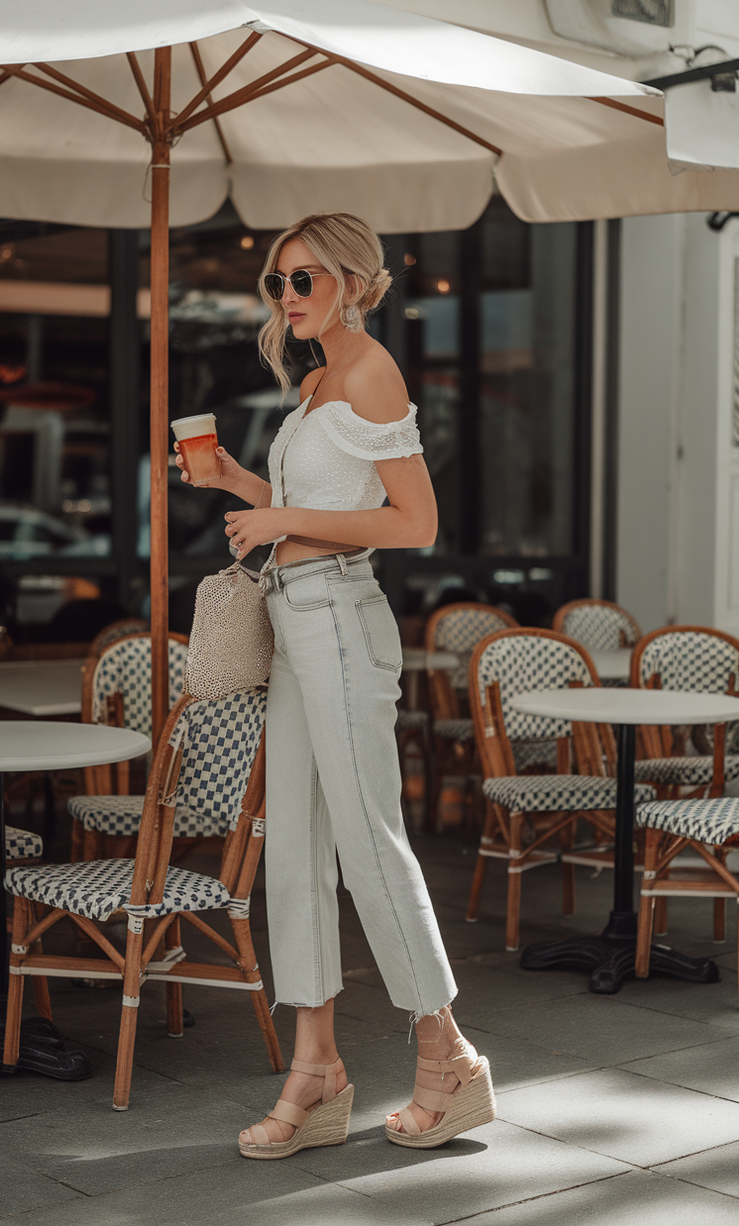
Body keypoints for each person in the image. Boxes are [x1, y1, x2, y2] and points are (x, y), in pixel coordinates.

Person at [176, 211, 495, 1159]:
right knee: (298, 842)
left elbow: (416, 524)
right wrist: (237, 480)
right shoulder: (314, 382)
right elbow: (310, 513)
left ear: (354, 281)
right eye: (279, 283)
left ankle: (449, 1060)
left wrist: (278, 515)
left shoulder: (369, 370)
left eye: (306, 279)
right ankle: (316, 1071)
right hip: (290, 616)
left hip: (343, 622)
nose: (290, 297)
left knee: (367, 838)